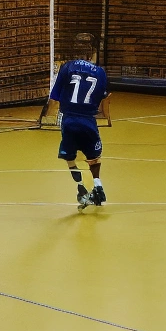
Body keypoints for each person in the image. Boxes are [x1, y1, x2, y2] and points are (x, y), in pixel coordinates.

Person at [39, 31, 110, 208]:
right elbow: (104, 97)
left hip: (69, 120)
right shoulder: (100, 72)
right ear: (92, 53)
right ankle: (98, 185)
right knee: (94, 157)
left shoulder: (67, 67)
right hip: (88, 121)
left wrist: (48, 116)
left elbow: (54, 97)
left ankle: (81, 188)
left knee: (70, 157)